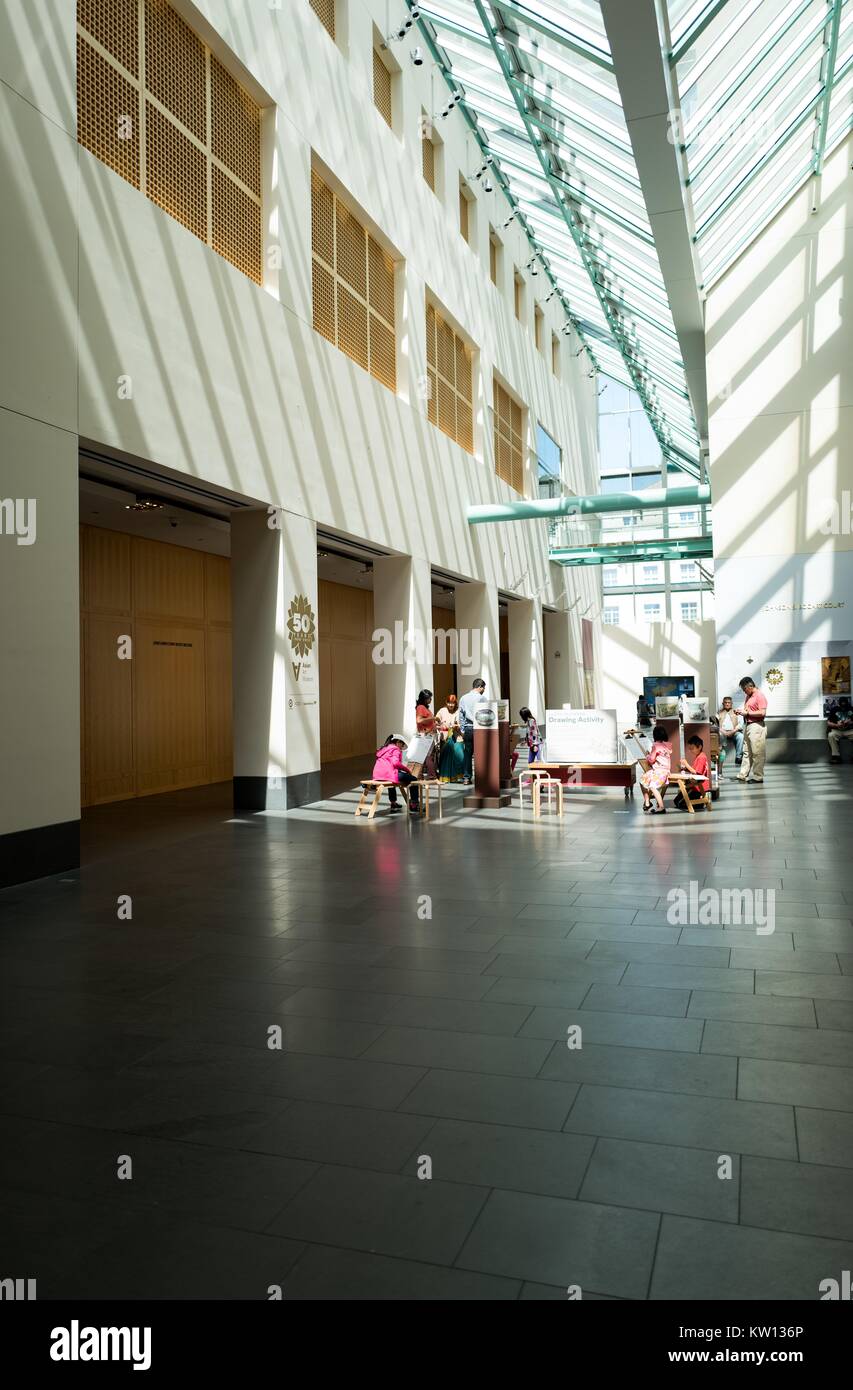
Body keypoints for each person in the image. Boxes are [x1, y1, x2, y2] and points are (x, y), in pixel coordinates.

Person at [371, 734, 417, 813]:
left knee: (392, 779)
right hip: (388, 774)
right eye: (402, 745)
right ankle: (414, 804)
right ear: (398, 742)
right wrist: (407, 770)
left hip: (377, 775)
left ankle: (393, 803)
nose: (401, 748)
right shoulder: (395, 749)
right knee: (414, 780)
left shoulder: (384, 749)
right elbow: (395, 763)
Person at [734, 677, 768, 783]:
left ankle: (758, 776)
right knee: (747, 751)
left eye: (744, 689)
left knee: (757, 752)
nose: (744, 691)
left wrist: (747, 713)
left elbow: (762, 713)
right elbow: (748, 710)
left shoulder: (760, 696)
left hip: (757, 726)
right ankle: (743, 774)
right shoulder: (749, 696)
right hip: (748, 725)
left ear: (750, 686)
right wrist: (741, 711)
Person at [457, 677, 487, 785]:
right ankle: (481, 777)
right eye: (483, 688)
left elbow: (461, 715)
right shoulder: (482, 698)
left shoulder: (463, 698)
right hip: (479, 728)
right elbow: (485, 715)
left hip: (468, 728)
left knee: (468, 753)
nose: (484, 690)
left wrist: (462, 729)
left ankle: (466, 777)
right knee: (481, 753)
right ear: (479, 687)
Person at [637, 723, 672, 814]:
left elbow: (651, 760)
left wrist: (648, 755)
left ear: (654, 735)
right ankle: (648, 803)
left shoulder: (655, 746)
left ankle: (661, 807)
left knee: (650, 785)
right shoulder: (667, 746)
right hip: (664, 772)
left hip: (659, 772)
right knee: (643, 780)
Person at [674, 734, 710, 810]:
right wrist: (685, 769)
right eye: (690, 749)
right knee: (677, 801)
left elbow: (697, 772)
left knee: (680, 803)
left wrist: (686, 764)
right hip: (695, 785)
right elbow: (694, 770)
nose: (691, 751)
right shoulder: (699, 756)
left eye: (692, 748)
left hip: (698, 786)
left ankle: (699, 803)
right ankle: (698, 803)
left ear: (699, 747)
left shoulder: (701, 758)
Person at [717, 696, 744, 777]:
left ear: (732, 704)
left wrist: (733, 731)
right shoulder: (719, 713)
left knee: (740, 736)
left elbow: (740, 725)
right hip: (723, 732)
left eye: (729, 703)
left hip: (734, 732)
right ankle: (721, 753)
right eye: (726, 703)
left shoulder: (736, 712)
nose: (727, 704)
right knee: (721, 736)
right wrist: (724, 731)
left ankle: (738, 757)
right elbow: (715, 725)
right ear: (723, 704)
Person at [414, 689, 437, 783]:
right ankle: (431, 775)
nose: (430, 700)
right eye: (429, 698)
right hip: (425, 735)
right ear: (424, 698)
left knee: (426, 756)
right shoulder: (421, 708)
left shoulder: (424, 708)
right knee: (427, 756)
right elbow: (419, 720)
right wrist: (433, 718)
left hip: (428, 734)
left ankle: (423, 775)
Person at [828, 697, 853, 763]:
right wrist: (836, 725)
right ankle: (836, 756)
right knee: (831, 735)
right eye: (842, 703)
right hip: (837, 730)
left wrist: (850, 722)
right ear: (839, 703)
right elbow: (828, 723)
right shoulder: (834, 709)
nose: (843, 704)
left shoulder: (851, 709)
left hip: (849, 730)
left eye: (845, 703)